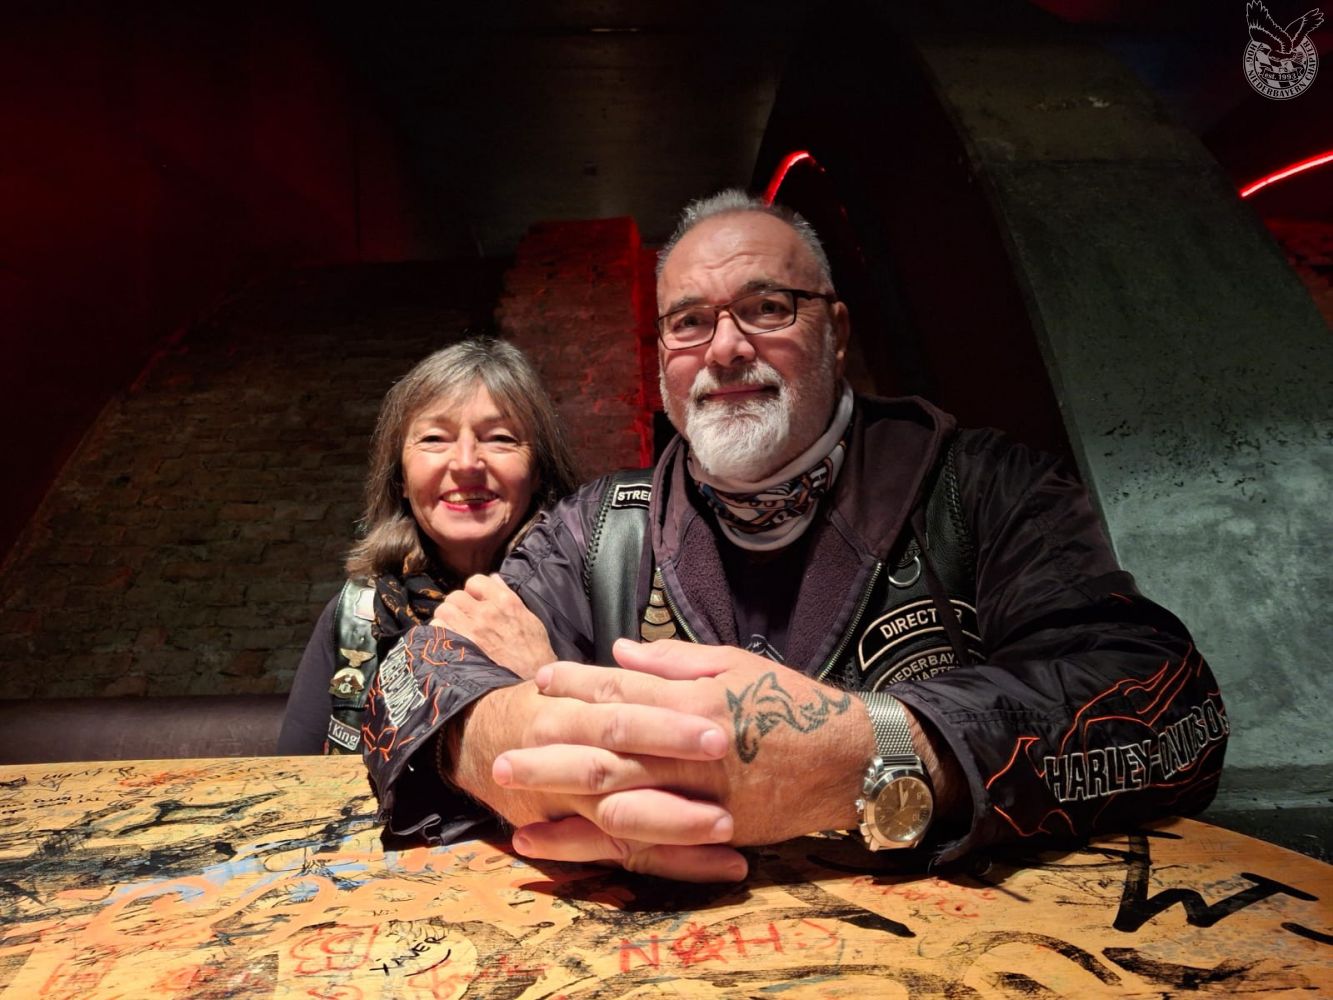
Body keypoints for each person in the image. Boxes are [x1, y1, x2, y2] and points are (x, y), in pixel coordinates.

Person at [361, 191, 1228, 881]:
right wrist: (510, 746)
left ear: (836, 331)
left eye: (766, 308)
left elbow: (1170, 705)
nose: (725, 348)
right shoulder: (595, 527)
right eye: (687, 322)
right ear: (661, 357)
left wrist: (873, 750)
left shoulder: (989, 491)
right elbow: (406, 677)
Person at [276, 336, 579, 755]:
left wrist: (539, 673)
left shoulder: (590, 602)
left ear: (539, 471)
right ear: (400, 478)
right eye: (435, 438)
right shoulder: (356, 617)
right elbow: (295, 779)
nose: (467, 463)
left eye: (501, 438)